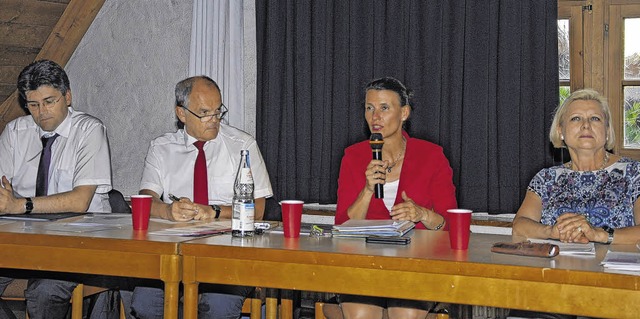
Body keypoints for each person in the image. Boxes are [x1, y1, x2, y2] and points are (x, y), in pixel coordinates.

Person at [123, 75, 273, 318]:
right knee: (145, 304)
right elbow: (146, 200)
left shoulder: (242, 145)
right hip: (174, 253)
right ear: (181, 114)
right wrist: (168, 211)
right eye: (204, 113)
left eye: (218, 111)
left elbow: (258, 210)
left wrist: (213, 212)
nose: (214, 120)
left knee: (217, 309)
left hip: (228, 254)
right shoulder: (161, 148)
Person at [335, 77, 457, 319]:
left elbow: (452, 226)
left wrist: (423, 214)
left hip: (417, 266)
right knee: (360, 313)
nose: (375, 117)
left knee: (405, 313)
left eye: (384, 108)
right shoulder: (353, 156)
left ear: (404, 113)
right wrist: (367, 190)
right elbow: (341, 227)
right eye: (369, 108)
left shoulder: (432, 156)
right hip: (365, 267)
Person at [0, 60, 113, 318]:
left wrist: (21, 205)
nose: (42, 112)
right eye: (33, 105)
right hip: (23, 243)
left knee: (43, 292)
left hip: (78, 242)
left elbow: (80, 201)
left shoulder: (89, 130)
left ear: (68, 96)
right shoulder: (16, 132)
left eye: (50, 101)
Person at [513, 88, 640, 245]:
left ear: (607, 131)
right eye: (575, 119)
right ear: (560, 131)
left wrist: (599, 234)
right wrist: (551, 231)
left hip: (615, 268)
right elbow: (519, 226)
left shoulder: (634, 173)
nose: (586, 125)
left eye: (595, 119)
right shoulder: (545, 179)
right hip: (557, 267)